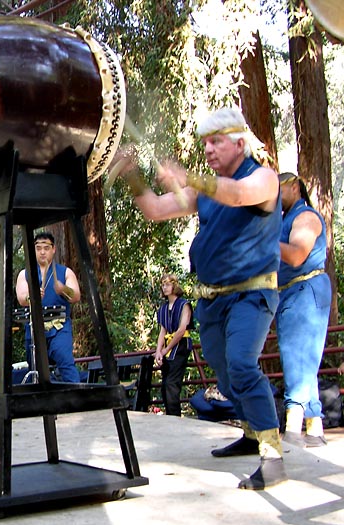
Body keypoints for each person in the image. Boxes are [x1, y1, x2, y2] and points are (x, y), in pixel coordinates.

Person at [120, 106, 284, 490]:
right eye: (205, 143)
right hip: (213, 300)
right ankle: (250, 432)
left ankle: (273, 455)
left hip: (252, 293)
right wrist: (132, 174)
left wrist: (188, 176)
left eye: (216, 142)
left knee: (242, 364)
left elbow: (240, 195)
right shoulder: (205, 189)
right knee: (225, 374)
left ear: (239, 143)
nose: (208, 149)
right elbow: (156, 210)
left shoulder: (264, 179)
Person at [275, 172, 331, 447]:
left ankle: (294, 426)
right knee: (305, 357)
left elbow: (297, 254)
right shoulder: (285, 219)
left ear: (294, 187)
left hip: (304, 289)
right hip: (291, 292)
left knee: (295, 354)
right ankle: (315, 426)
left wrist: (263, 241)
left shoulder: (305, 216)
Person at [14, 231, 82, 382]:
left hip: (59, 328)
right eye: (38, 248)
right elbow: (22, 298)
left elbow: (76, 295)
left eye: (46, 247)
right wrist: (32, 297)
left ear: (53, 249)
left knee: (66, 364)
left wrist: (63, 289)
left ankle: (77, 401)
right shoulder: (25, 274)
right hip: (35, 329)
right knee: (37, 370)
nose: (42, 252)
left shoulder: (65, 272)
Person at [154, 274, 193, 416]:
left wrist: (166, 349)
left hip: (180, 345)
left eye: (168, 284)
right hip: (167, 346)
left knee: (171, 383)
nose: (165, 287)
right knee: (165, 385)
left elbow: (182, 329)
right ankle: (169, 416)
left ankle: (175, 417)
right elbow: (162, 330)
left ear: (174, 286)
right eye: (163, 284)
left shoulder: (184, 305)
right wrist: (158, 351)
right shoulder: (163, 308)